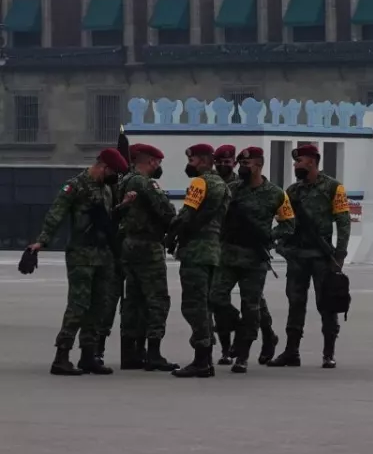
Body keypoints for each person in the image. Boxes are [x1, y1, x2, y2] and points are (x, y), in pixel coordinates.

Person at [26, 148, 129, 376]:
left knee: (99, 306)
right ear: (103, 166)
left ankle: (88, 355)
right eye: (113, 172)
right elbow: (57, 213)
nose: (115, 177)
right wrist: (41, 242)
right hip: (81, 255)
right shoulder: (76, 186)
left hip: (104, 255)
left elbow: (108, 218)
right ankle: (61, 355)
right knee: (78, 306)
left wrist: (123, 208)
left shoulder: (107, 188)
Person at [211, 145, 292, 374]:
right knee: (216, 297)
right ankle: (238, 326)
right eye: (241, 164)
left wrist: (269, 238)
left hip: (254, 260)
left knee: (251, 306)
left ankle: (243, 355)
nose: (242, 167)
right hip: (227, 254)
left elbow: (289, 224)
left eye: (247, 164)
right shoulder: (231, 189)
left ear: (258, 165)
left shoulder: (276, 193)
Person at [272, 142, 351, 369]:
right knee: (295, 303)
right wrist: (282, 247)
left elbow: (343, 223)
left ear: (313, 162)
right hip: (297, 256)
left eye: (299, 161)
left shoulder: (334, 188)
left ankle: (328, 353)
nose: (296, 165)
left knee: (326, 304)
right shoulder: (292, 191)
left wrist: (340, 255)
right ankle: (291, 352)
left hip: (322, 257)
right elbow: (285, 222)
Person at [167, 142, 230, 378]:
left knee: (194, 306)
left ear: (203, 161)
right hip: (213, 251)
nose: (189, 165)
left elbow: (187, 215)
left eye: (192, 160)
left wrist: (170, 232)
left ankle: (202, 359)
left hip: (196, 252)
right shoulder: (222, 185)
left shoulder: (200, 183)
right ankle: (206, 359)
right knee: (205, 305)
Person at [116, 142, 178, 372]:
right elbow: (166, 211)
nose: (159, 166)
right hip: (148, 247)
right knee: (157, 300)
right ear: (151, 161)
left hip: (129, 245)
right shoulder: (144, 182)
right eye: (158, 162)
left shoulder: (124, 180)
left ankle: (130, 352)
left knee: (133, 301)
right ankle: (153, 353)